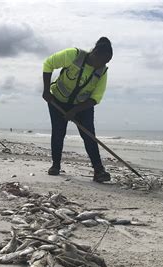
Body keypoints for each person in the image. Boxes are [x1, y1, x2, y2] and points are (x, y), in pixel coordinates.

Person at [42, 37, 113, 183]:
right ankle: (55, 166)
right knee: (58, 132)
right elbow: (48, 64)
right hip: (57, 100)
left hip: (82, 106)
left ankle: (98, 170)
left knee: (89, 136)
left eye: (107, 62)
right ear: (95, 53)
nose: (103, 64)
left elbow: (95, 98)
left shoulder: (102, 72)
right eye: (103, 60)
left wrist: (74, 111)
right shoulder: (74, 55)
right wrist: (46, 91)